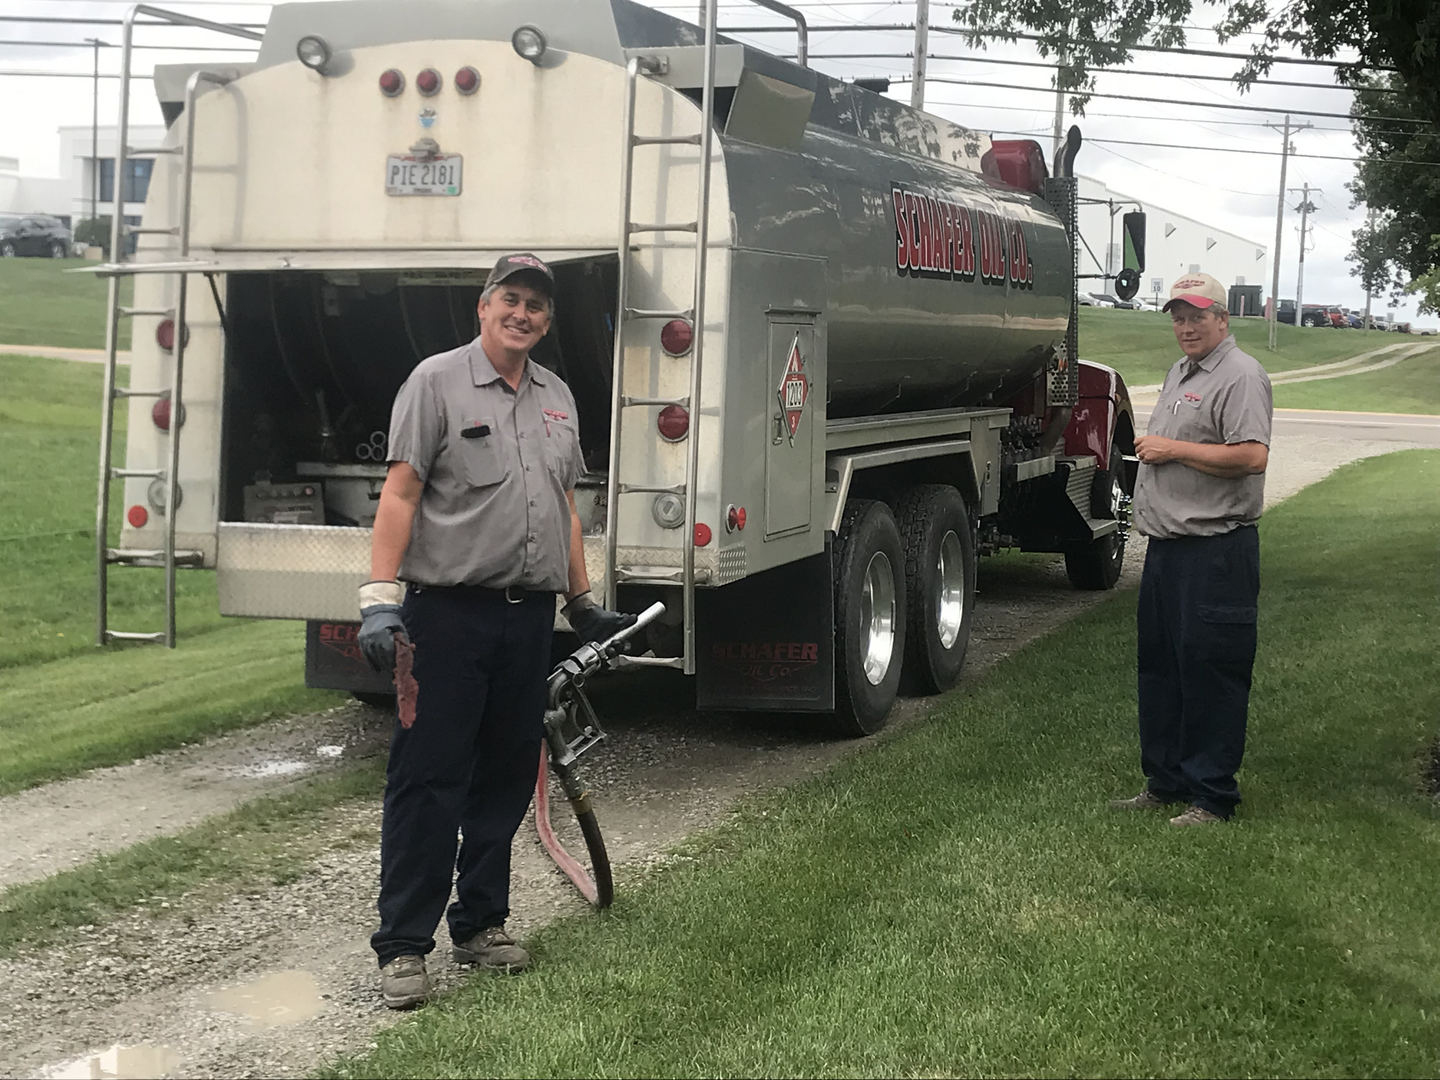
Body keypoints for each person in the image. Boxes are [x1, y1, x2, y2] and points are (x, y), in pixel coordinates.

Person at [356, 253, 634, 1008]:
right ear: (483, 307)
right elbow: (401, 495)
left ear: (547, 320)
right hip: (444, 620)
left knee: (506, 781)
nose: (523, 315)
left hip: (526, 624)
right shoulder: (435, 382)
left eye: (537, 306)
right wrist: (380, 599)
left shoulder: (557, 398)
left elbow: (564, 507)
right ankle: (403, 948)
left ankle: (480, 926)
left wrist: (582, 603)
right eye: (510, 300)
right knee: (428, 782)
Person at [1109, 272, 1273, 827]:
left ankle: (1212, 796)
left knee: (1211, 670)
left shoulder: (1241, 375)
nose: (1186, 327)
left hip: (1216, 551)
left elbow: (1252, 456)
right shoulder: (1181, 372)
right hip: (1168, 550)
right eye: (1178, 316)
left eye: (1198, 316)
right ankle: (1165, 782)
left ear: (1223, 320)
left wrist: (1169, 449)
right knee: (1161, 668)